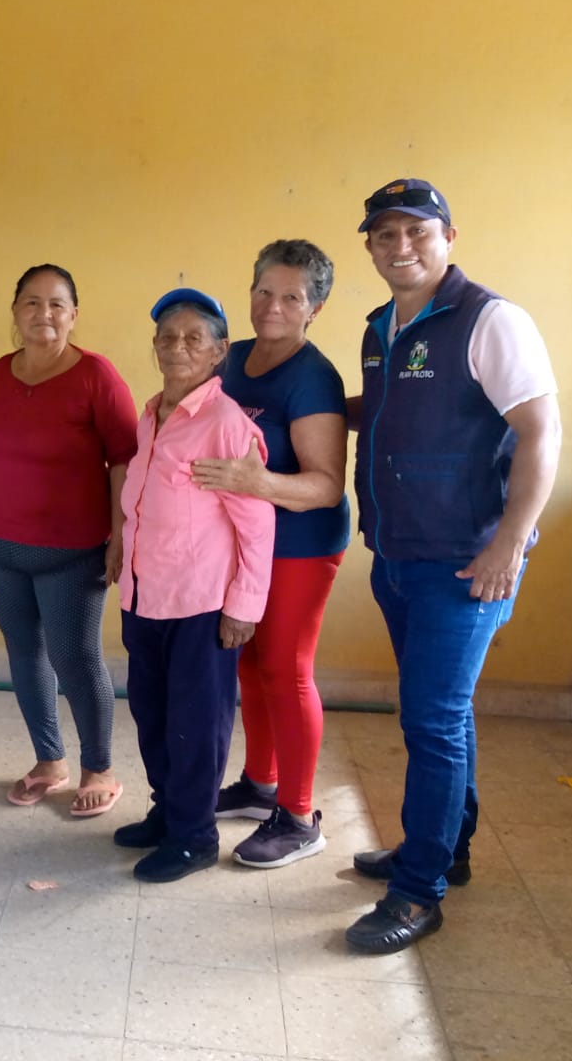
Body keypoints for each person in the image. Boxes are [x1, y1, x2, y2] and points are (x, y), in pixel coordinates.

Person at [342, 178, 561, 954]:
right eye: (385, 234)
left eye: (417, 231)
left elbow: (541, 430)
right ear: (371, 247)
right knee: (446, 714)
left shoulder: (490, 320)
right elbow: (387, 413)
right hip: (398, 555)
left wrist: (510, 542)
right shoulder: (381, 327)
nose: (401, 246)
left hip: (466, 565)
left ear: (448, 238)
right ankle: (445, 849)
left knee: (430, 721)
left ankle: (417, 893)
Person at [191, 240, 350, 868]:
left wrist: (255, 483)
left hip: (301, 545)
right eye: (264, 291)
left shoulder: (314, 377)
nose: (272, 306)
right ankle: (261, 784)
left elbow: (326, 486)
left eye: (291, 297)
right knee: (251, 666)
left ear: (314, 309)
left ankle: (300, 816)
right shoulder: (231, 358)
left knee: (287, 669)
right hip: (242, 543)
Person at [111, 289, 275, 881]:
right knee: (152, 713)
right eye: (167, 337)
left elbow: (256, 522)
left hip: (200, 604)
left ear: (218, 351)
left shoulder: (225, 424)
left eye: (193, 338)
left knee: (195, 724)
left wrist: (244, 607)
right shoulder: (151, 414)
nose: (177, 347)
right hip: (144, 596)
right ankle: (169, 813)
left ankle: (194, 836)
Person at [0, 265, 138, 817]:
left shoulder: (96, 375)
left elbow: (125, 460)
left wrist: (120, 535)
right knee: (24, 653)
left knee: (75, 658)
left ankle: (99, 768)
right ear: (16, 311)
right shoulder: (0, 371)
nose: (44, 313)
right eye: (32, 303)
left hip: (71, 552)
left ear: (73, 314)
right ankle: (49, 761)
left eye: (57, 304)